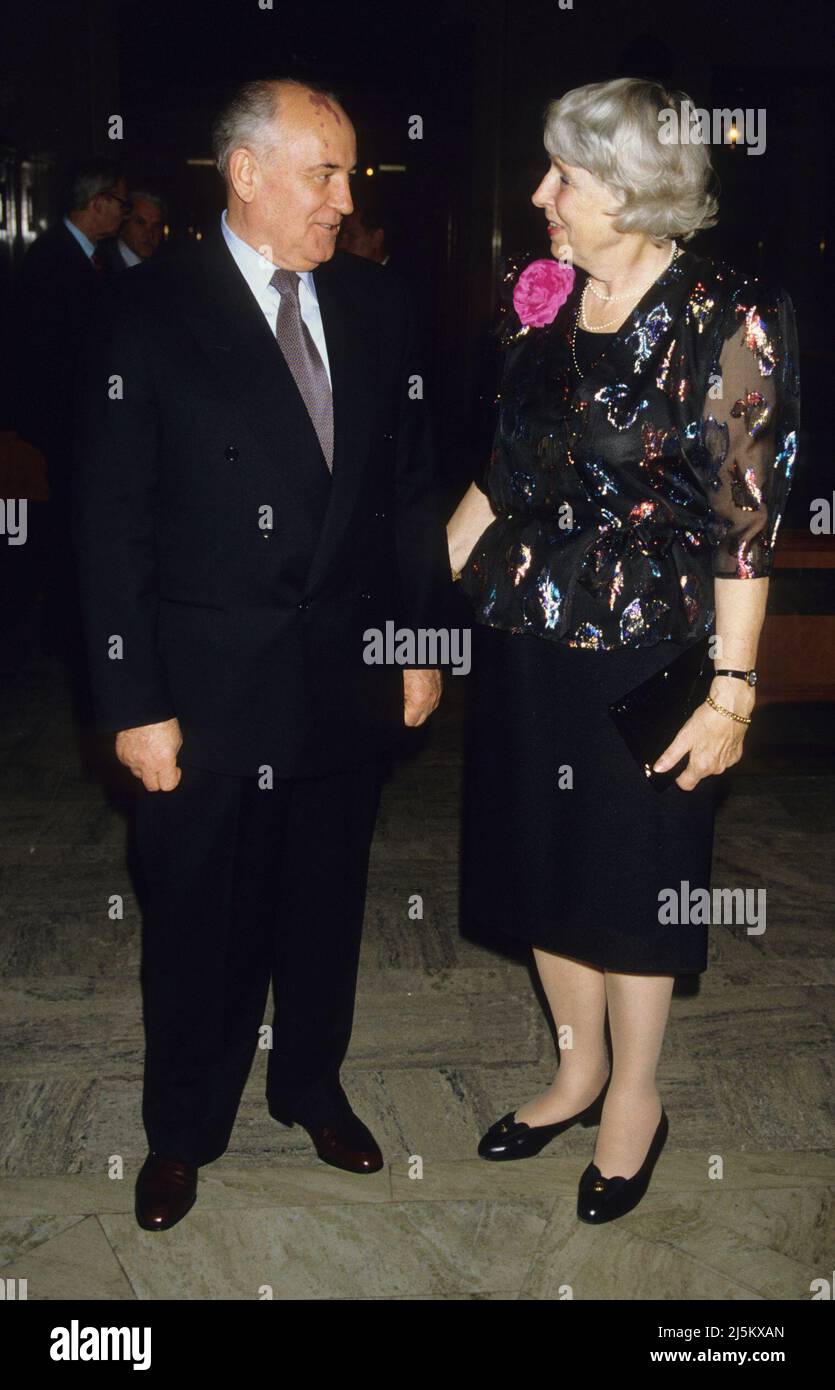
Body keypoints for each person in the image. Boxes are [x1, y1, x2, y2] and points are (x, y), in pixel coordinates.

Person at [73, 77, 450, 1231]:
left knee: (324, 903)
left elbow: (407, 494)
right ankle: (183, 1127)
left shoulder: (380, 307)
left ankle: (310, 1085)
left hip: (342, 680)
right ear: (245, 174)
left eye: (350, 176)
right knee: (197, 920)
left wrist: (421, 642)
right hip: (203, 693)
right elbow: (107, 525)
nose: (345, 197)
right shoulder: (146, 313)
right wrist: (133, 700)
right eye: (323, 173)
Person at [448, 77, 799, 1224]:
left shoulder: (726, 314)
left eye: (566, 176)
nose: (541, 194)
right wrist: (420, 590)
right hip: (527, 640)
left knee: (632, 890)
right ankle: (573, 1068)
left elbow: (745, 521)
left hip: (649, 659)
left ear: (638, 192)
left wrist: (733, 690)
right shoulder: (544, 301)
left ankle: (634, 1099)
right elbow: (503, 473)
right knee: (546, 878)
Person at [18, 160, 128, 664]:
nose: (123, 215)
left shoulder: (86, 258)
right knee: (64, 530)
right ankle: (62, 638)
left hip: (77, 423)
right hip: (61, 425)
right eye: (121, 204)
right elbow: (48, 358)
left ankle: (68, 632)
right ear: (98, 201)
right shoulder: (53, 261)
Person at [98, 189, 167, 268]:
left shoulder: (163, 268)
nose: (150, 234)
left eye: (156, 226)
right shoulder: (101, 264)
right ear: (123, 222)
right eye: (140, 222)